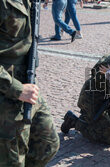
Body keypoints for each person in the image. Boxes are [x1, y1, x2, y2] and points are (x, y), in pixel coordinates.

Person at [0, 0, 60, 166]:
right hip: (7, 93)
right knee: (13, 160)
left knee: (47, 145)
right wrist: (15, 88)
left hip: (28, 82)